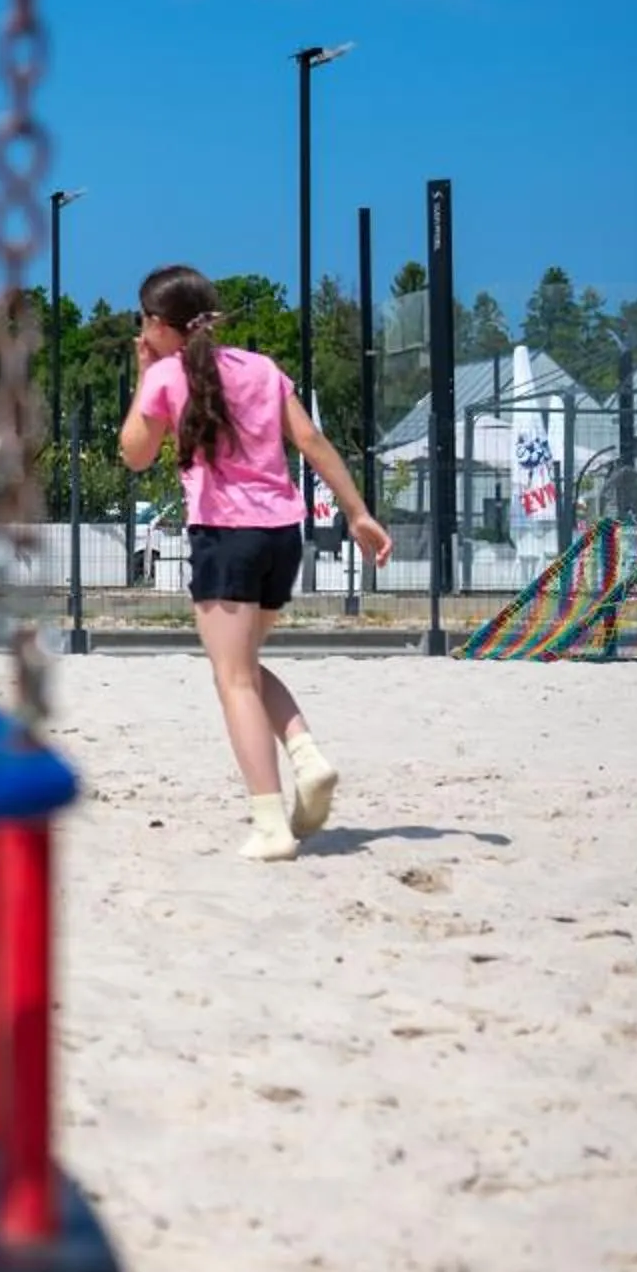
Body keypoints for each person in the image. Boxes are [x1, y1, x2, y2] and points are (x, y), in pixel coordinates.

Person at [119, 264, 392, 861]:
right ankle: (305, 756)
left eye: (144, 321)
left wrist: (144, 377)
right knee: (244, 664)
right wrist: (358, 512)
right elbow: (312, 442)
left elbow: (134, 455)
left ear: (161, 325)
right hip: (281, 536)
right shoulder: (261, 368)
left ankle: (270, 823)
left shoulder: (165, 373)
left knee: (232, 679)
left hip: (226, 535)